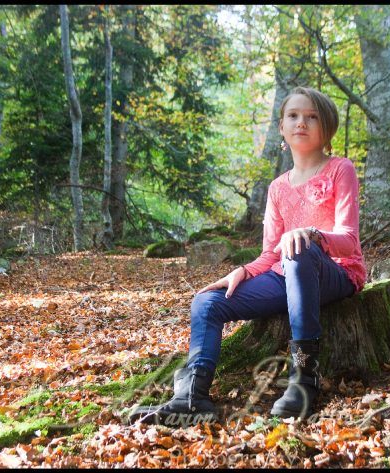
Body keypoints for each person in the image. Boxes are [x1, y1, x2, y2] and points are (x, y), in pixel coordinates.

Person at [129, 86, 366, 425]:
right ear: (282, 128)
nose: (302, 122)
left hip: (337, 273)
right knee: (207, 302)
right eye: (293, 116)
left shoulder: (340, 169)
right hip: (287, 274)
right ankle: (192, 395)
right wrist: (243, 271)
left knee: (299, 252)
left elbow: (349, 240)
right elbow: (270, 253)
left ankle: (304, 376)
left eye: (312, 116)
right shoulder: (278, 187)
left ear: (326, 127)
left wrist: (311, 235)